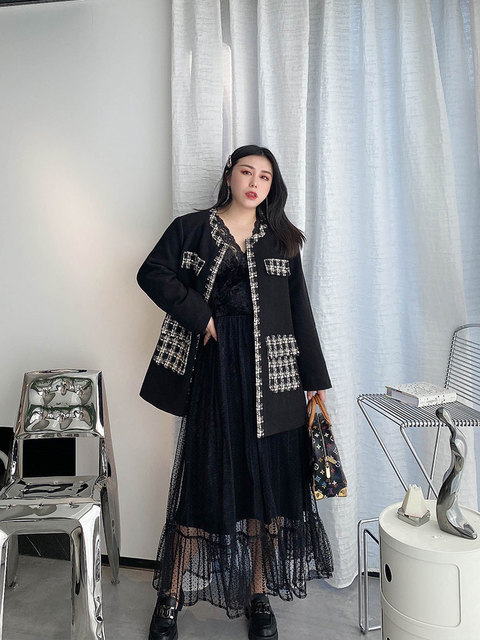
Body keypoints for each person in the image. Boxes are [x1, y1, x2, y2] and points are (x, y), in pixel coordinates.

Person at [137, 145, 333, 640]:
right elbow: (151, 273)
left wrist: (314, 381)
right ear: (229, 176)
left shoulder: (283, 240)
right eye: (247, 172)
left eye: (265, 177)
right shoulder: (192, 229)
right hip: (216, 371)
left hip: (274, 377)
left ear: (271, 186)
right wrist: (200, 316)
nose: (255, 183)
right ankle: (170, 597)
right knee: (204, 481)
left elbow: (300, 309)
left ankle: (258, 596)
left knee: (266, 489)